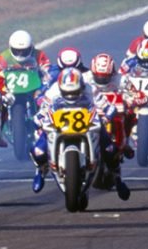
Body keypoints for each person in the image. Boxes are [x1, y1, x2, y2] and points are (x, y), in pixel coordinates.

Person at [31, 68, 130, 200]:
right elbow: (43, 109)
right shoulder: (53, 90)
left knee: (110, 149)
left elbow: (108, 106)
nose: (71, 96)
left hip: (86, 123)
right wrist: (39, 118)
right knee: (38, 151)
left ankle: (117, 178)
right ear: (61, 88)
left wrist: (107, 115)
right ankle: (40, 171)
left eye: (75, 92)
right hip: (60, 124)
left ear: (82, 87)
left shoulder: (91, 89)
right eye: (67, 93)